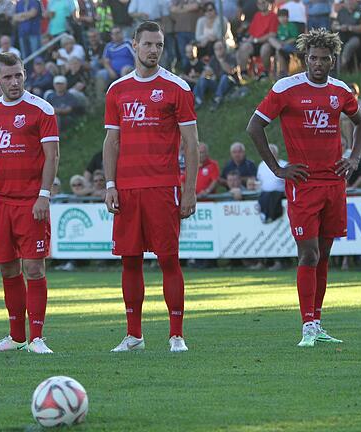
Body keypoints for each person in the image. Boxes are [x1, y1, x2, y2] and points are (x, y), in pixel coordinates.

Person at [246, 28, 361, 347]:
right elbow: (255, 126)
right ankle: (307, 326)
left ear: (332, 60)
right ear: (304, 59)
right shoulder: (286, 88)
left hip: (333, 182)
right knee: (309, 254)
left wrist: (353, 158)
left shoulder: (340, 91)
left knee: (324, 255)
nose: (318, 63)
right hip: (303, 183)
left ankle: (317, 321)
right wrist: (277, 169)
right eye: (312, 58)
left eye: (324, 58)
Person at [103, 21, 199, 353]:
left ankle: (176, 335)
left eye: (158, 45)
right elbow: (111, 142)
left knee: (168, 260)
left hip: (163, 186)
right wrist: (110, 184)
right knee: (129, 261)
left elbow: (191, 143)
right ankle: (134, 336)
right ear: (134, 45)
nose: (154, 50)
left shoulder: (177, 88)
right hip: (127, 189)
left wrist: (189, 189)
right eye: (147, 44)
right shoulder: (117, 90)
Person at [0, 52, 60, 354]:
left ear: (25, 74)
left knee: (34, 268)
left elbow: (52, 156)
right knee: (8, 270)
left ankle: (37, 338)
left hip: (31, 203)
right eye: (7, 77)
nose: (14, 82)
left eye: (18, 75)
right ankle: (16, 337)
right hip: (0, 204)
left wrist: (43, 195)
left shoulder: (41, 109)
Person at [237, 0, 279, 79]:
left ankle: (265, 73)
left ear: (269, 3)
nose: (261, 4)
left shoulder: (273, 16)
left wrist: (257, 40)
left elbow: (272, 34)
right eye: (259, 3)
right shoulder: (257, 15)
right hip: (255, 42)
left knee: (265, 49)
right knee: (244, 46)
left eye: (263, 2)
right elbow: (252, 34)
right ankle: (244, 73)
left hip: (267, 43)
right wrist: (248, 41)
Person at [331, 0, 361, 72]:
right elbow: (334, 25)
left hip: (358, 37)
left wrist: (350, 28)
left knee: (349, 45)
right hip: (342, 36)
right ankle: (334, 69)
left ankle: (343, 63)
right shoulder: (342, 12)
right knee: (334, 44)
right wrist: (337, 27)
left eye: (352, 1)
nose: (350, 2)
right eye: (348, 1)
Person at [269, 9, 301, 77]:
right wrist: (280, 44)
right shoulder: (279, 27)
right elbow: (277, 37)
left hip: (290, 45)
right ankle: (281, 71)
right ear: (278, 18)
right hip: (280, 45)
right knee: (271, 40)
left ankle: (283, 72)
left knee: (278, 51)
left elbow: (294, 38)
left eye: (284, 16)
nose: (282, 19)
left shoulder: (291, 25)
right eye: (280, 17)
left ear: (287, 17)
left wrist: (284, 43)